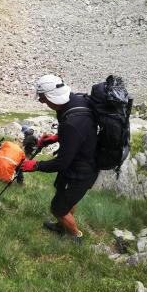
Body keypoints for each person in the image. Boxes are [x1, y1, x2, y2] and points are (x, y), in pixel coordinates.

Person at [21, 74, 99, 244]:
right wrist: (56, 138)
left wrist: (35, 165)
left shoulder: (71, 122)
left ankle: (76, 237)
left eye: (42, 98)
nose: (42, 102)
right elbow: (81, 133)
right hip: (84, 163)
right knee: (66, 198)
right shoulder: (76, 100)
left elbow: (62, 162)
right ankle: (61, 226)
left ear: (50, 96)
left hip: (80, 172)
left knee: (58, 208)